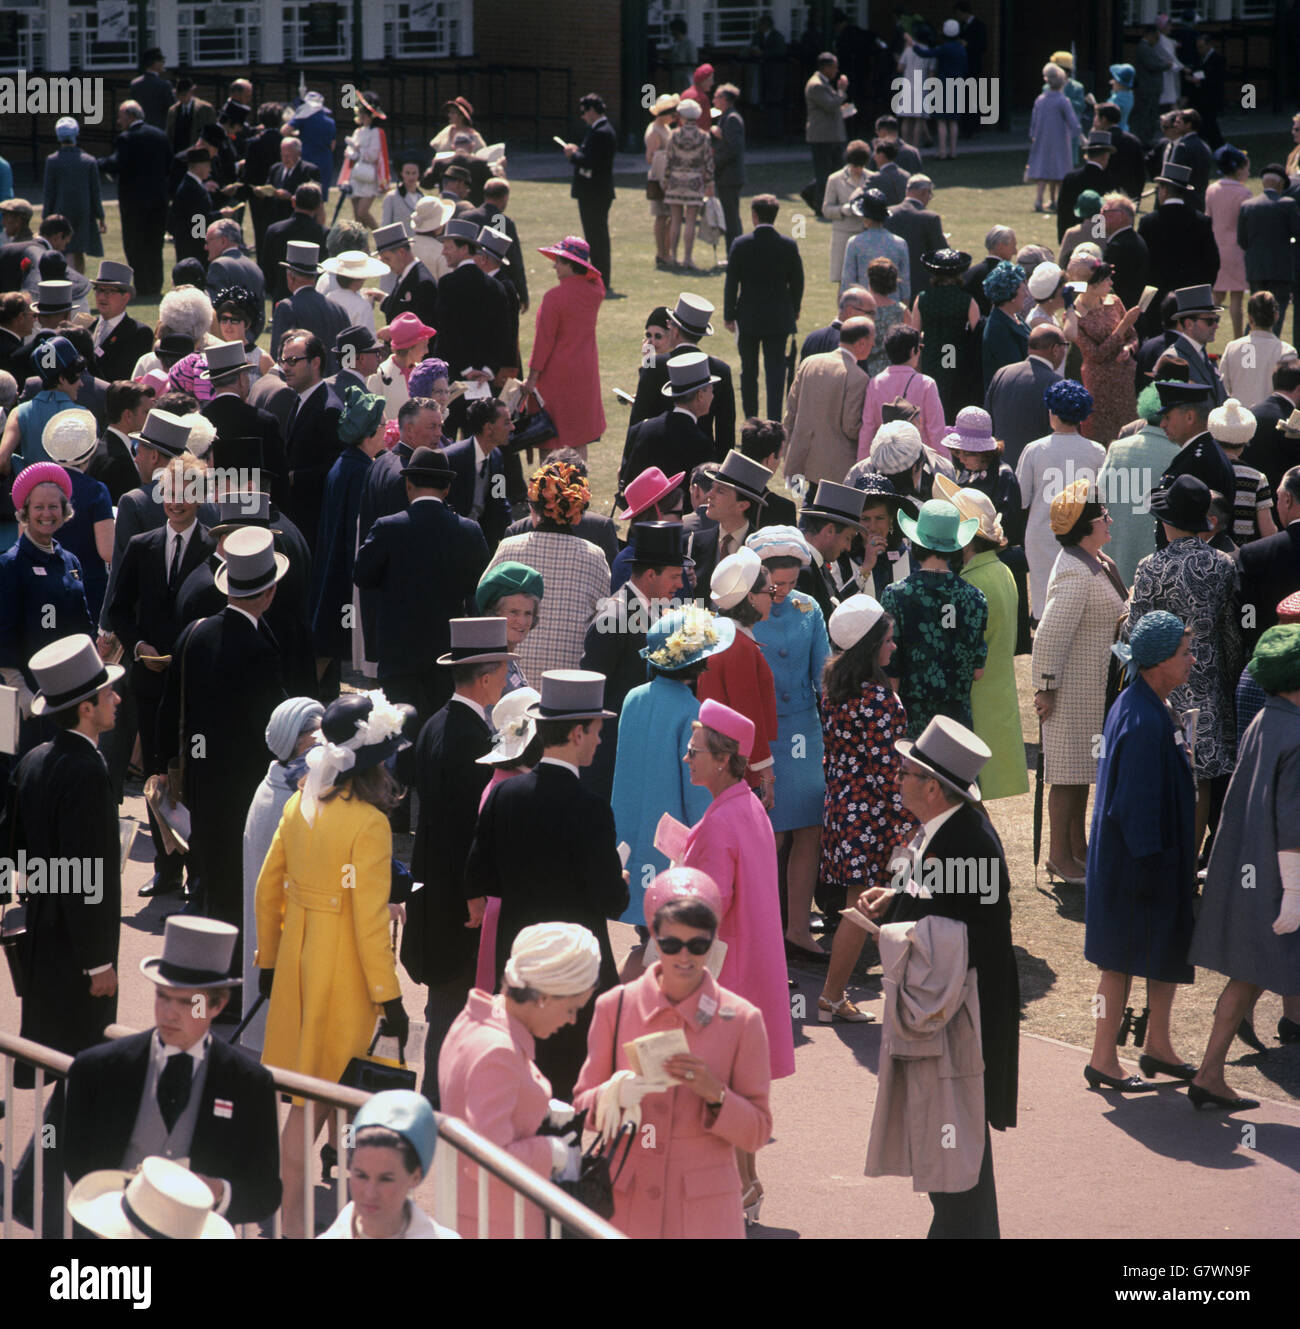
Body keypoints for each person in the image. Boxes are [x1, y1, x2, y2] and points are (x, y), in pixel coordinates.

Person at [256, 691, 411, 1237]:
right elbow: (369, 924)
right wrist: (389, 997)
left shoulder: (302, 802)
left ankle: (306, 1226)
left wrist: (269, 960)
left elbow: (267, 886)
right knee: (320, 1109)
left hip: (297, 972)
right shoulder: (369, 825)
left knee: (311, 1104)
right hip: (342, 983)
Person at [860, 716, 1019, 1239]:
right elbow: (941, 909)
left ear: (932, 787)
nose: (896, 779)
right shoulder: (948, 830)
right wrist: (895, 900)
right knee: (955, 1148)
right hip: (953, 1013)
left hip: (958, 1022)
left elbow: (958, 937)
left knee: (954, 1150)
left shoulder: (966, 843)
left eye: (905, 773)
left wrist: (895, 926)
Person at [574, 869, 774, 1235]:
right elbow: (583, 1111)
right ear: (654, 938)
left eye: (698, 945)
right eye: (670, 945)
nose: (684, 956)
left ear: (713, 942)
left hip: (704, 1213)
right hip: (624, 1205)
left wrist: (714, 1092)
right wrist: (613, 1093)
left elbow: (758, 1132)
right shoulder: (614, 1007)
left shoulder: (742, 1020)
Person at [464, 670, 629, 1099]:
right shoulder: (592, 810)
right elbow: (612, 901)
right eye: (595, 731)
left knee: (519, 1080)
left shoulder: (505, 794)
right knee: (571, 1091)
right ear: (576, 733)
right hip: (574, 974)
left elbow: (479, 876)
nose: (599, 740)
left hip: (520, 963)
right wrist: (621, 878)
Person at [61, 915, 281, 1229]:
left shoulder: (249, 1084)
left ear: (216, 1007)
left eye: (188, 1003)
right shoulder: (97, 1069)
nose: (169, 1013)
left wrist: (220, 1191)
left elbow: (265, 1192)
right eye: (162, 996)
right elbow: (75, 1158)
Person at [397, 619, 511, 1102]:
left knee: (444, 1003)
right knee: (451, 1003)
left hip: (432, 889)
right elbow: (465, 829)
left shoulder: (437, 723)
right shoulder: (469, 739)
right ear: (486, 678)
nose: (507, 677)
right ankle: (436, 1103)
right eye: (504, 669)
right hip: (453, 899)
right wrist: (474, 894)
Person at [1083, 611, 1197, 1092]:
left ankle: (1157, 1046)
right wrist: (1155, 865)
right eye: (1185, 652)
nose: (1192, 660)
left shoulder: (1146, 703)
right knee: (1119, 963)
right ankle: (1102, 1058)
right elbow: (1134, 804)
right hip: (1138, 864)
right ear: (1157, 663)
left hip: (1150, 859)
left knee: (1165, 952)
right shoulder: (1143, 719)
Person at [1188, 625, 1300, 1110]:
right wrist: (1293, 892)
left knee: (1248, 975)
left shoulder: (1264, 719)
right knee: (1249, 975)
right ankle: (1210, 1072)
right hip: (1278, 879)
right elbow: (1292, 823)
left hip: (1248, 869)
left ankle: (1210, 1072)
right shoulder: (1297, 734)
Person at [160, 527, 287, 950]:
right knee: (238, 893)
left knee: (211, 885)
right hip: (245, 796)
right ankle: (229, 991)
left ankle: (206, 979)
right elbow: (274, 732)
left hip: (199, 790)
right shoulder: (259, 651)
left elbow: (167, 715)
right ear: (269, 593)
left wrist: (173, 773)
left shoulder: (193, 635)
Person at [441, 923, 601, 1237]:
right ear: (544, 996)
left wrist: (540, 1109)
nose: (571, 1020)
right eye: (571, 1008)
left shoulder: (476, 1020)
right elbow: (487, 1158)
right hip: (497, 1223)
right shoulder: (498, 1052)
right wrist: (551, 1150)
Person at [1131, 474, 1242, 850]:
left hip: (1160, 684)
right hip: (1207, 681)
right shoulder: (1222, 565)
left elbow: (1136, 633)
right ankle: (1189, 862)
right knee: (1201, 779)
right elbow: (1230, 633)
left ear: (1168, 521)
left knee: (1160, 776)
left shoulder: (1150, 567)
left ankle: (1161, 860)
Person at [817, 594, 915, 1020]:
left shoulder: (835, 687)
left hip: (843, 808)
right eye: (888, 640)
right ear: (870, 645)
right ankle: (834, 996)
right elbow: (888, 770)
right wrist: (907, 828)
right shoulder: (879, 700)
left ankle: (840, 996)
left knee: (870, 907)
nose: (893, 647)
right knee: (868, 908)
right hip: (874, 815)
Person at [1029, 480, 1128, 884]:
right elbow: (1051, 635)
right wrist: (1045, 687)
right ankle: (1058, 856)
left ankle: (1078, 849)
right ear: (1087, 527)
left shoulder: (1093, 561)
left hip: (1090, 689)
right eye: (1104, 517)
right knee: (1067, 778)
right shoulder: (1075, 570)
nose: (1109, 521)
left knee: (1081, 774)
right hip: (1071, 692)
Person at [610, 607, 724, 929]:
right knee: (665, 922)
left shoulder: (633, 697)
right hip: (671, 831)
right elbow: (695, 785)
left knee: (641, 916)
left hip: (629, 823)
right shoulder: (692, 710)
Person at [747, 526, 830, 957]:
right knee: (771, 835)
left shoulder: (809, 608)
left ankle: (798, 927)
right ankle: (763, 929)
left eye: (792, 582)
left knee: (809, 829)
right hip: (762, 730)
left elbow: (823, 672)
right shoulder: (743, 611)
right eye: (775, 583)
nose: (782, 591)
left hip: (804, 729)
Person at [581, 522, 690, 800]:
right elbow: (592, 696)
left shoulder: (657, 611)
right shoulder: (613, 619)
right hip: (612, 759)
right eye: (675, 576)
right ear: (651, 574)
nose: (680, 584)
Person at [483, 461, 608, 679]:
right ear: (577, 511)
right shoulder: (595, 557)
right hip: (567, 684)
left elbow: (483, 603)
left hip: (509, 681)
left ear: (533, 508)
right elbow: (602, 620)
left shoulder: (508, 547)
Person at [881, 497, 987, 740]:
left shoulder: (895, 595)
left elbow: (891, 671)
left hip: (911, 718)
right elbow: (977, 672)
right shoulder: (975, 598)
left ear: (916, 544)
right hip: (957, 719)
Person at [1016, 378, 1106, 618]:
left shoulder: (1034, 449)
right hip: (1083, 536)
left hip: (1042, 534)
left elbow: (1021, 499)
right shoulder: (1097, 451)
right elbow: (1103, 500)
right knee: (1078, 602)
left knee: (1045, 605)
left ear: (1053, 412)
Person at [319, 1090, 457, 1239]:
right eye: (361, 1176)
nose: (370, 1193)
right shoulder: (340, 1230)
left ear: (415, 1177)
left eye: (386, 1179)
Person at [699, 550, 778, 801]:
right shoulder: (739, 646)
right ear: (751, 597)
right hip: (738, 770)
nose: (774, 599)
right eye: (770, 592)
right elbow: (748, 713)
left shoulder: (721, 636)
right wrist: (765, 773)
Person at [518, 235, 605, 456]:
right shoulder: (594, 293)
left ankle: (547, 489)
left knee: (549, 438)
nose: (554, 265)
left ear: (571, 264)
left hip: (555, 378)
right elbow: (597, 278)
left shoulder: (554, 297)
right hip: (585, 376)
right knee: (579, 439)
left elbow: (543, 343)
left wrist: (532, 379)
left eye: (560, 261)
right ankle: (579, 488)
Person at [725, 195, 803, 420]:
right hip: (778, 317)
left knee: (748, 371)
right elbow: (797, 281)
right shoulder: (788, 245)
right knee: (776, 372)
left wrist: (729, 314)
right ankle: (774, 420)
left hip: (748, 317)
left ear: (754, 215)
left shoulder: (740, 244)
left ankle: (751, 419)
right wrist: (795, 308)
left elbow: (732, 282)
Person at [784, 316, 874, 486]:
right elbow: (851, 427)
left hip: (800, 456)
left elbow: (791, 410)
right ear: (862, 343)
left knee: (803, 505)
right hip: (834, 467)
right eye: (872, 342)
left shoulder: (809, 363)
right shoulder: (858, 378)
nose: (873, 346)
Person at [1065, 257, 1141, 444]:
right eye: (1106, 279)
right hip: (1099, 386)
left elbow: (1133, 337)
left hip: (1125, 381)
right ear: (1092, 284)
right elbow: (1095, 355)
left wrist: (1128, 348)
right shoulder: (1075, 315)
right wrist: (1123, 325)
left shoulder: (1113, 301)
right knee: (1100, 436)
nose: (1111, 283)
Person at [911, 248, 979, 421]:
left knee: (932, 394)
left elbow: (914, 332)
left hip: (931, 355)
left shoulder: (922, 298)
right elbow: (977, 330)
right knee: (951, 397)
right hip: (954, 354)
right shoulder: (966, 299)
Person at [1237, 163, 1300, 337]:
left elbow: (1242, 240)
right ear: (1280, 185)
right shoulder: (1288, 204)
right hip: (1281, 270)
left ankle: (1249, 356)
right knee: (1274, 315)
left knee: (1255, 314)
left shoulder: (1248, 206)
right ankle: (1270, 355)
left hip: (1256, 269)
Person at [563, 94, 616, 291]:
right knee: (594, 237)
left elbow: (590, 161)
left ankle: (601, 278)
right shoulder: (598, 130)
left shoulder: (601, 132)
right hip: (594, 193)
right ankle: (598, 276)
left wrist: (573, 155)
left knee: (597, 238)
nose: (583, 116)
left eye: (584, 112)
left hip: (595, 193)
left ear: (593, 111)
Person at [42, 118, 104, 271]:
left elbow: (49, 193)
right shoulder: (89, 160)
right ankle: (79, 285)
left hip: (60, 211)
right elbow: (95, 192)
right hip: (83, 212)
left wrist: (45, 218)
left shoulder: (52, 160)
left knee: (64, 250)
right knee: (78, 251)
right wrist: (101, 217)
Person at [1204, 146, 1253, 339]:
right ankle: (1237, 337)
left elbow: (1209, 218)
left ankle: (1205, 335)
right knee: (1237, 298)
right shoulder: (1244, 193)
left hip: (1216, 248)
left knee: (1216, 297)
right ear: (1239, 169)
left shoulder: (1212, 189)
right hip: (1237, 250)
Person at [903, 22, 967, 158]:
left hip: (943, 84)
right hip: (958, 84)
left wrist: (912, 43)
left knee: (942, 120)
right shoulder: (961, 49)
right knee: (953, 121)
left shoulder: (943, 48)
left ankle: (942, 151)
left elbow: (924, 53)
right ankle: (953, 151)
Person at [1221, 292, 1295, 407]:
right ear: (1276, 316)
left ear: (1250, 317)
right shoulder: (1286, 352)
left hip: (1238, 420)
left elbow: (1223, 388)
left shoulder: (1232, 347)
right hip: (1271, 421)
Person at [841, 188, 911, 302]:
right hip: (892, 306)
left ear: (865, 217)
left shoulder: (855, 243)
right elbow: (905, 283)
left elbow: (847, 282)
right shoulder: (900, 243)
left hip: (862, 306)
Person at [886, 175, 945, 301]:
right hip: (921, 285)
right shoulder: (930, 218)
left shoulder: (889, 214)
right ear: (924, 192)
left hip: (890, 281)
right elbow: (941, 252)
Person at [822, 140, 873, 282]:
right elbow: (826, 209)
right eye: (855, 165)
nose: (858, 169)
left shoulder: (872, 178)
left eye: (861, 165)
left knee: (867, 280)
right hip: (843, 235)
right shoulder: (835, 179)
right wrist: (843, 210)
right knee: (844, 281)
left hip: (866, 233)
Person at [338, 91, 390, 230]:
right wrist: (351, 151)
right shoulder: (358, 131)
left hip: (368, 177)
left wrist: (357, 148)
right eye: (361, 112)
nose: (362, 116)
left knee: (363, 212)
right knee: (357, 217)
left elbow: (372, 155)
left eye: (365, 113)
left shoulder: (376, 132)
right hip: (356, 176)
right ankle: (362, 246)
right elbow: (350, 154)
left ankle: (382, 238)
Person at [806, 52, 850, 206]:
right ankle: (819, 204)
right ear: (825, 68)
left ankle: (810, 194)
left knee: (833, 171)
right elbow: (830, 105)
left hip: (831, 135)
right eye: (834, 67)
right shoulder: (816, 84)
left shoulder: (824, 83)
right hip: (822, 136)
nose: (836, 70)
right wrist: (842, 91)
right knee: (823, 174)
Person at [981, 261, 1030, 393]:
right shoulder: (998, 329)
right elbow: (1015, 371)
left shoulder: (1014, 317)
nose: (1027, 294)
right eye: (1023, 289)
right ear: (1012, 294)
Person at [710, 83, 746, 253]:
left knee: (731, 219)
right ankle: (732, 253)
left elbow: (733, 149)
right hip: (726, 176)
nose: (713, 100)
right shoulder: (725, 117)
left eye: (716, 96)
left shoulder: (732, 119)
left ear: (725, 99)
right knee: (729, 217)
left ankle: (735, 254)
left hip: (730, 176)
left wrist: (714, 162)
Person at [645, 93, 679, 270]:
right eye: (672, 113)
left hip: (667, 177)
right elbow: (650, 157)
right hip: (659, 179)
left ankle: (667, 252)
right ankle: (662, 253)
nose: (674, 117)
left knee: (668, 217)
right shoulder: (655, 131)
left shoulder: (665, 128)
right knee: (661, 216)